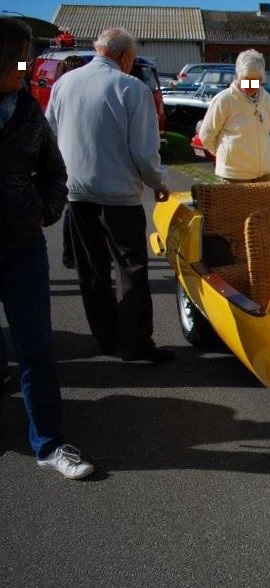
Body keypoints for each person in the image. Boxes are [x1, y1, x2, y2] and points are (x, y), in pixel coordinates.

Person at [0, 17, 94, 479]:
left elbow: (54, 171)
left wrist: (46, 209)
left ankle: (50, 443)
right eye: (18, 57)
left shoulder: (25, 109)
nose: (26, 67)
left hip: (22, 245)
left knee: (35, 346)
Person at [46, 27, 174, 363]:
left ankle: (105, 338)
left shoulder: (64, 84)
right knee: (130, 270)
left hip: (76, 193)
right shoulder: (131, 88)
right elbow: (145, 151)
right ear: (126, 57)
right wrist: (159, 182)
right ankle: (135, 344)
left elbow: (50, 135)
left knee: (92, 270)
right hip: (119, 196)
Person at [198, 49, 270, 183]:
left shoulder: (266, 98)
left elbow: (265, 131)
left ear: (262, 79)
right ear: (238, 76)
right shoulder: (224, 100)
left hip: (264, 172)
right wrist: (227, 155)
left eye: (255, 81)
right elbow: (206, 135)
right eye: (247, 80)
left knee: (266, 205)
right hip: (234, 174)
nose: (251, 85)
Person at [57, 55, 88, 270]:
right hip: (72, 158)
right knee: (74, 210)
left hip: (66, 156)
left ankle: (71, 254)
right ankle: (72, 253)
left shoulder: (60, 89)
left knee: (73, 209)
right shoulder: (73, 91)